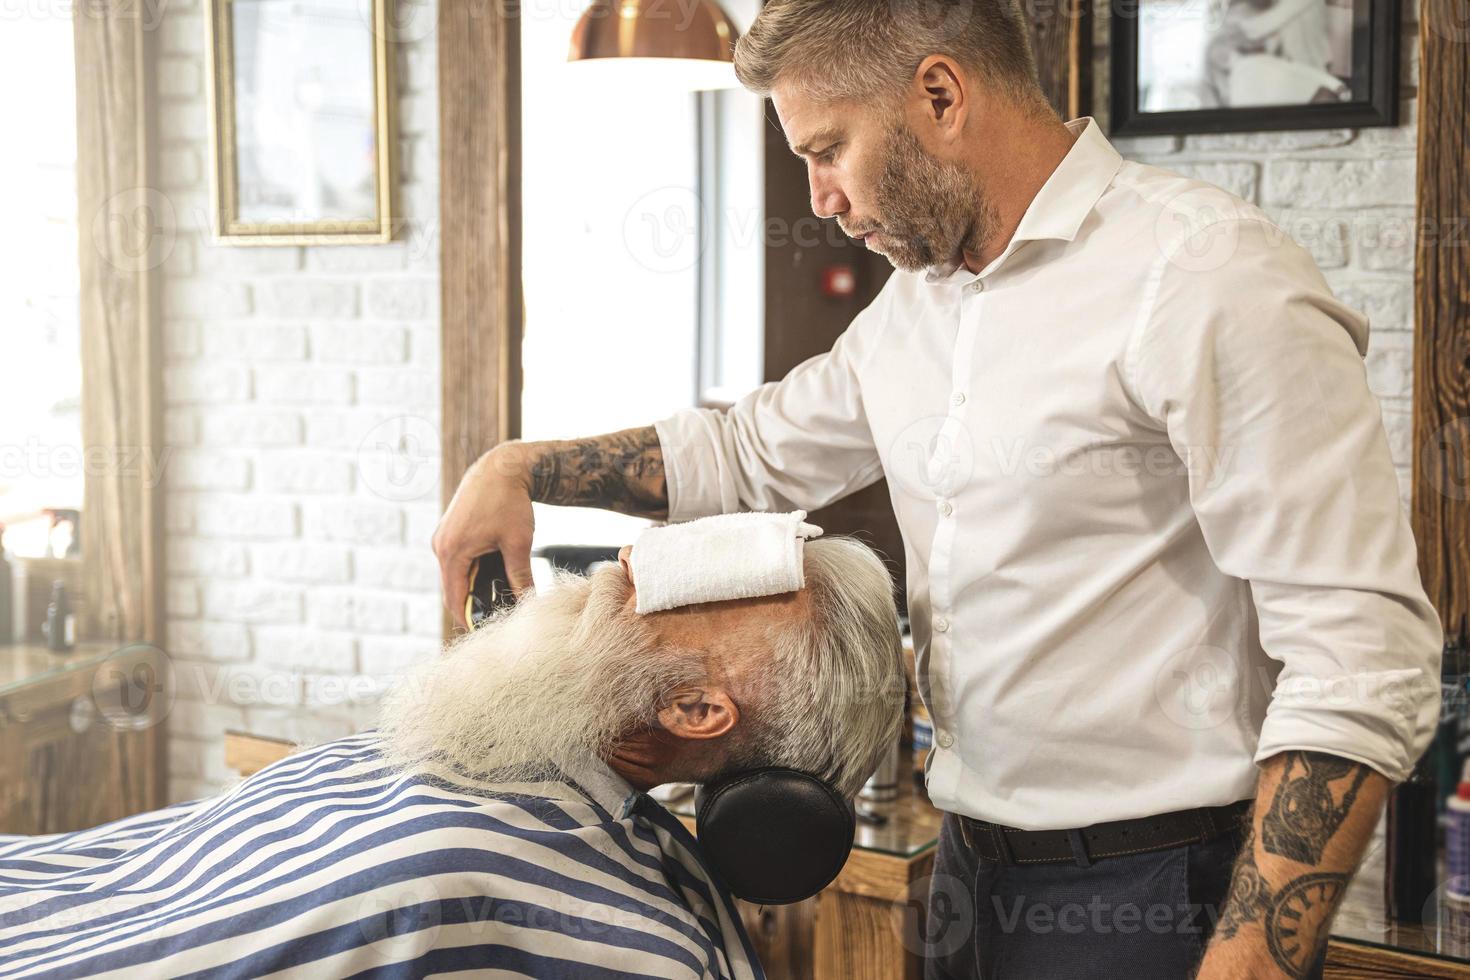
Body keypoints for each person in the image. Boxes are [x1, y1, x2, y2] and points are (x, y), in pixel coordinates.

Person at [433, 2, 1443, 977]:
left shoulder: (1205, 275)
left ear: (942, 96)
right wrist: (522, 467)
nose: (820, 197)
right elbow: (748, 449)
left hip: (1160, 894)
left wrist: (1256, 959)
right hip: (966, 874)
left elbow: (1362, 654)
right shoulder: (919, 303)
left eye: (827, 149)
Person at [0, 536, 904, 978]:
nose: (629, 559)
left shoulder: (497, 878)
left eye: (696, 581)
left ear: (695, 707)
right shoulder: (483, 761)